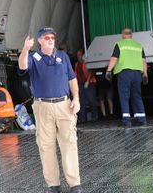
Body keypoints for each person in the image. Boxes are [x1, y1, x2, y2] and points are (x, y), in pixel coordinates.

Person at [18, 27, 82, 193]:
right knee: (46, 147)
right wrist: (25, 48)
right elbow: (22, 65)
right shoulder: (33, 58)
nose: (50, 39)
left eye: (52, 37)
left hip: (64, 105)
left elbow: (72, 79)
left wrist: (76, 98)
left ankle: (74, 184)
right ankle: (53, 185)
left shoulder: (62, 56)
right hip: (43, 106)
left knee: (69, 143)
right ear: (39, 40)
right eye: (46, 37)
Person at [106, 28, 148, 127]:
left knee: (124, 97)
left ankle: (126, 121)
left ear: (122, 35)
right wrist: (145, 74)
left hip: (125, 73)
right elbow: (144, 61)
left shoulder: (120, 44)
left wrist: (108, 70)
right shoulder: (139, 46)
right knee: (136, 96)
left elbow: (114, 59)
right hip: (137, 74)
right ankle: (141, 119)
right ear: (131, 35)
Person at [74, 49, 97, 122]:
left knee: (92, 100)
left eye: (80, 55)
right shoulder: (76, 64)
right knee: (82, 102)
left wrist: (87, 81)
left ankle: (94, 117)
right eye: (77, 55)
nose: (79, 57)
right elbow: (75, 74)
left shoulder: (86, 62)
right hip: (80, 84)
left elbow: (91, 71)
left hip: (89, 83)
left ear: (83, 55)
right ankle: (83, 119)